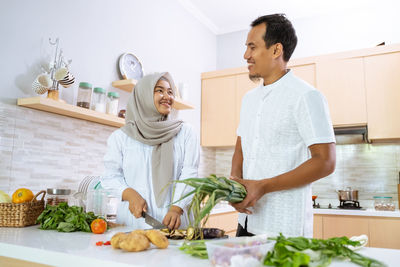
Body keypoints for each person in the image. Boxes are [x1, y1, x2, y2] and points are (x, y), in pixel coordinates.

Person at [230, 14, 336, 237]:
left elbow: (325, 161)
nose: (245, 55)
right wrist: (235, 186)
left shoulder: (306, 96)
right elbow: (241, 147)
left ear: (276, 50)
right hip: (246, 221)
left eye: (252, 47)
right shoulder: (248, 100)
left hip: (285, 227)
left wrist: (263, 186)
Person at [101, 72, 199, 230]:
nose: (167, 96)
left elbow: (190, 174)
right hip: (135, 224)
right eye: (160, 90)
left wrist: (177, 208)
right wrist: (128, 193)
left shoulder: (185, 132)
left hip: (176, 225)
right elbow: (109, 177)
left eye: (170, 91)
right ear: (143, 95)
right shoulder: (120, 138)